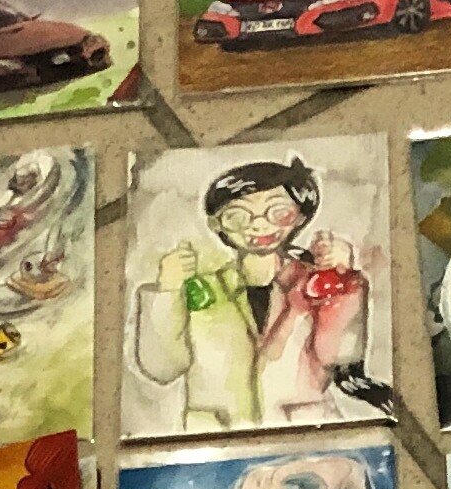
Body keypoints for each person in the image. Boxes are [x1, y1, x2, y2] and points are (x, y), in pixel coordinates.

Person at [132, 159, 384, 429]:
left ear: (300, 216)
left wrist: (339, 280)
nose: (259, 226)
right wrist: (168, 291)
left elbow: (340, 355)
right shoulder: (202, 291)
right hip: (216, 436)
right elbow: (161, 368)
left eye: (278, 212)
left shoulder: (312, 285)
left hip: (304, 433)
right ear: (216, 224)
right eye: (238, 216)